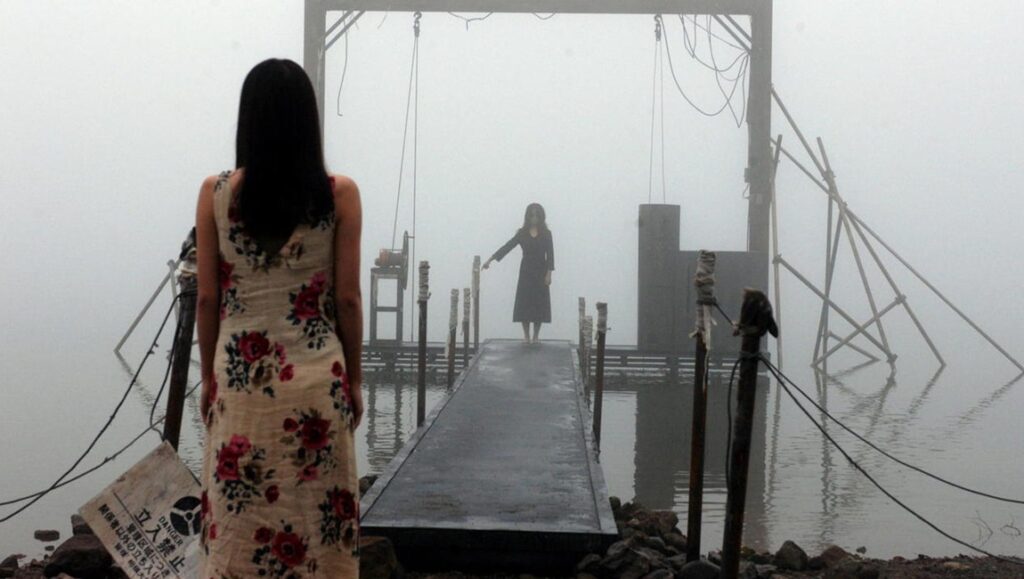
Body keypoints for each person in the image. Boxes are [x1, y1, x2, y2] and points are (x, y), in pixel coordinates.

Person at [195, 58, 365, 578]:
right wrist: (356, 380)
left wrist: (208, 378)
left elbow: (207, 299)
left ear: (247, 120)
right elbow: (348, 300)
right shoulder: (339, 195)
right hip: (317, 384)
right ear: (307, 122)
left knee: (240, 520)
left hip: (240, 388)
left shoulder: (215, 194)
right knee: (319, 523)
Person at [482, 203, 554, 343]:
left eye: (537, 215)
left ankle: (536, 336)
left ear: (541, 217)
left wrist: (549, 274)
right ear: (528, 216)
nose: (534, 218)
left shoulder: (547, 234)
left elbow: (550, 255)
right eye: (532, 215)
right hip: (526, 271)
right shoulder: (522, 233)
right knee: (524, 302)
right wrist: (490, 260)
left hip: (541, 271)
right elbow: (507, 247)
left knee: (539, 302)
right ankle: (526, 335)